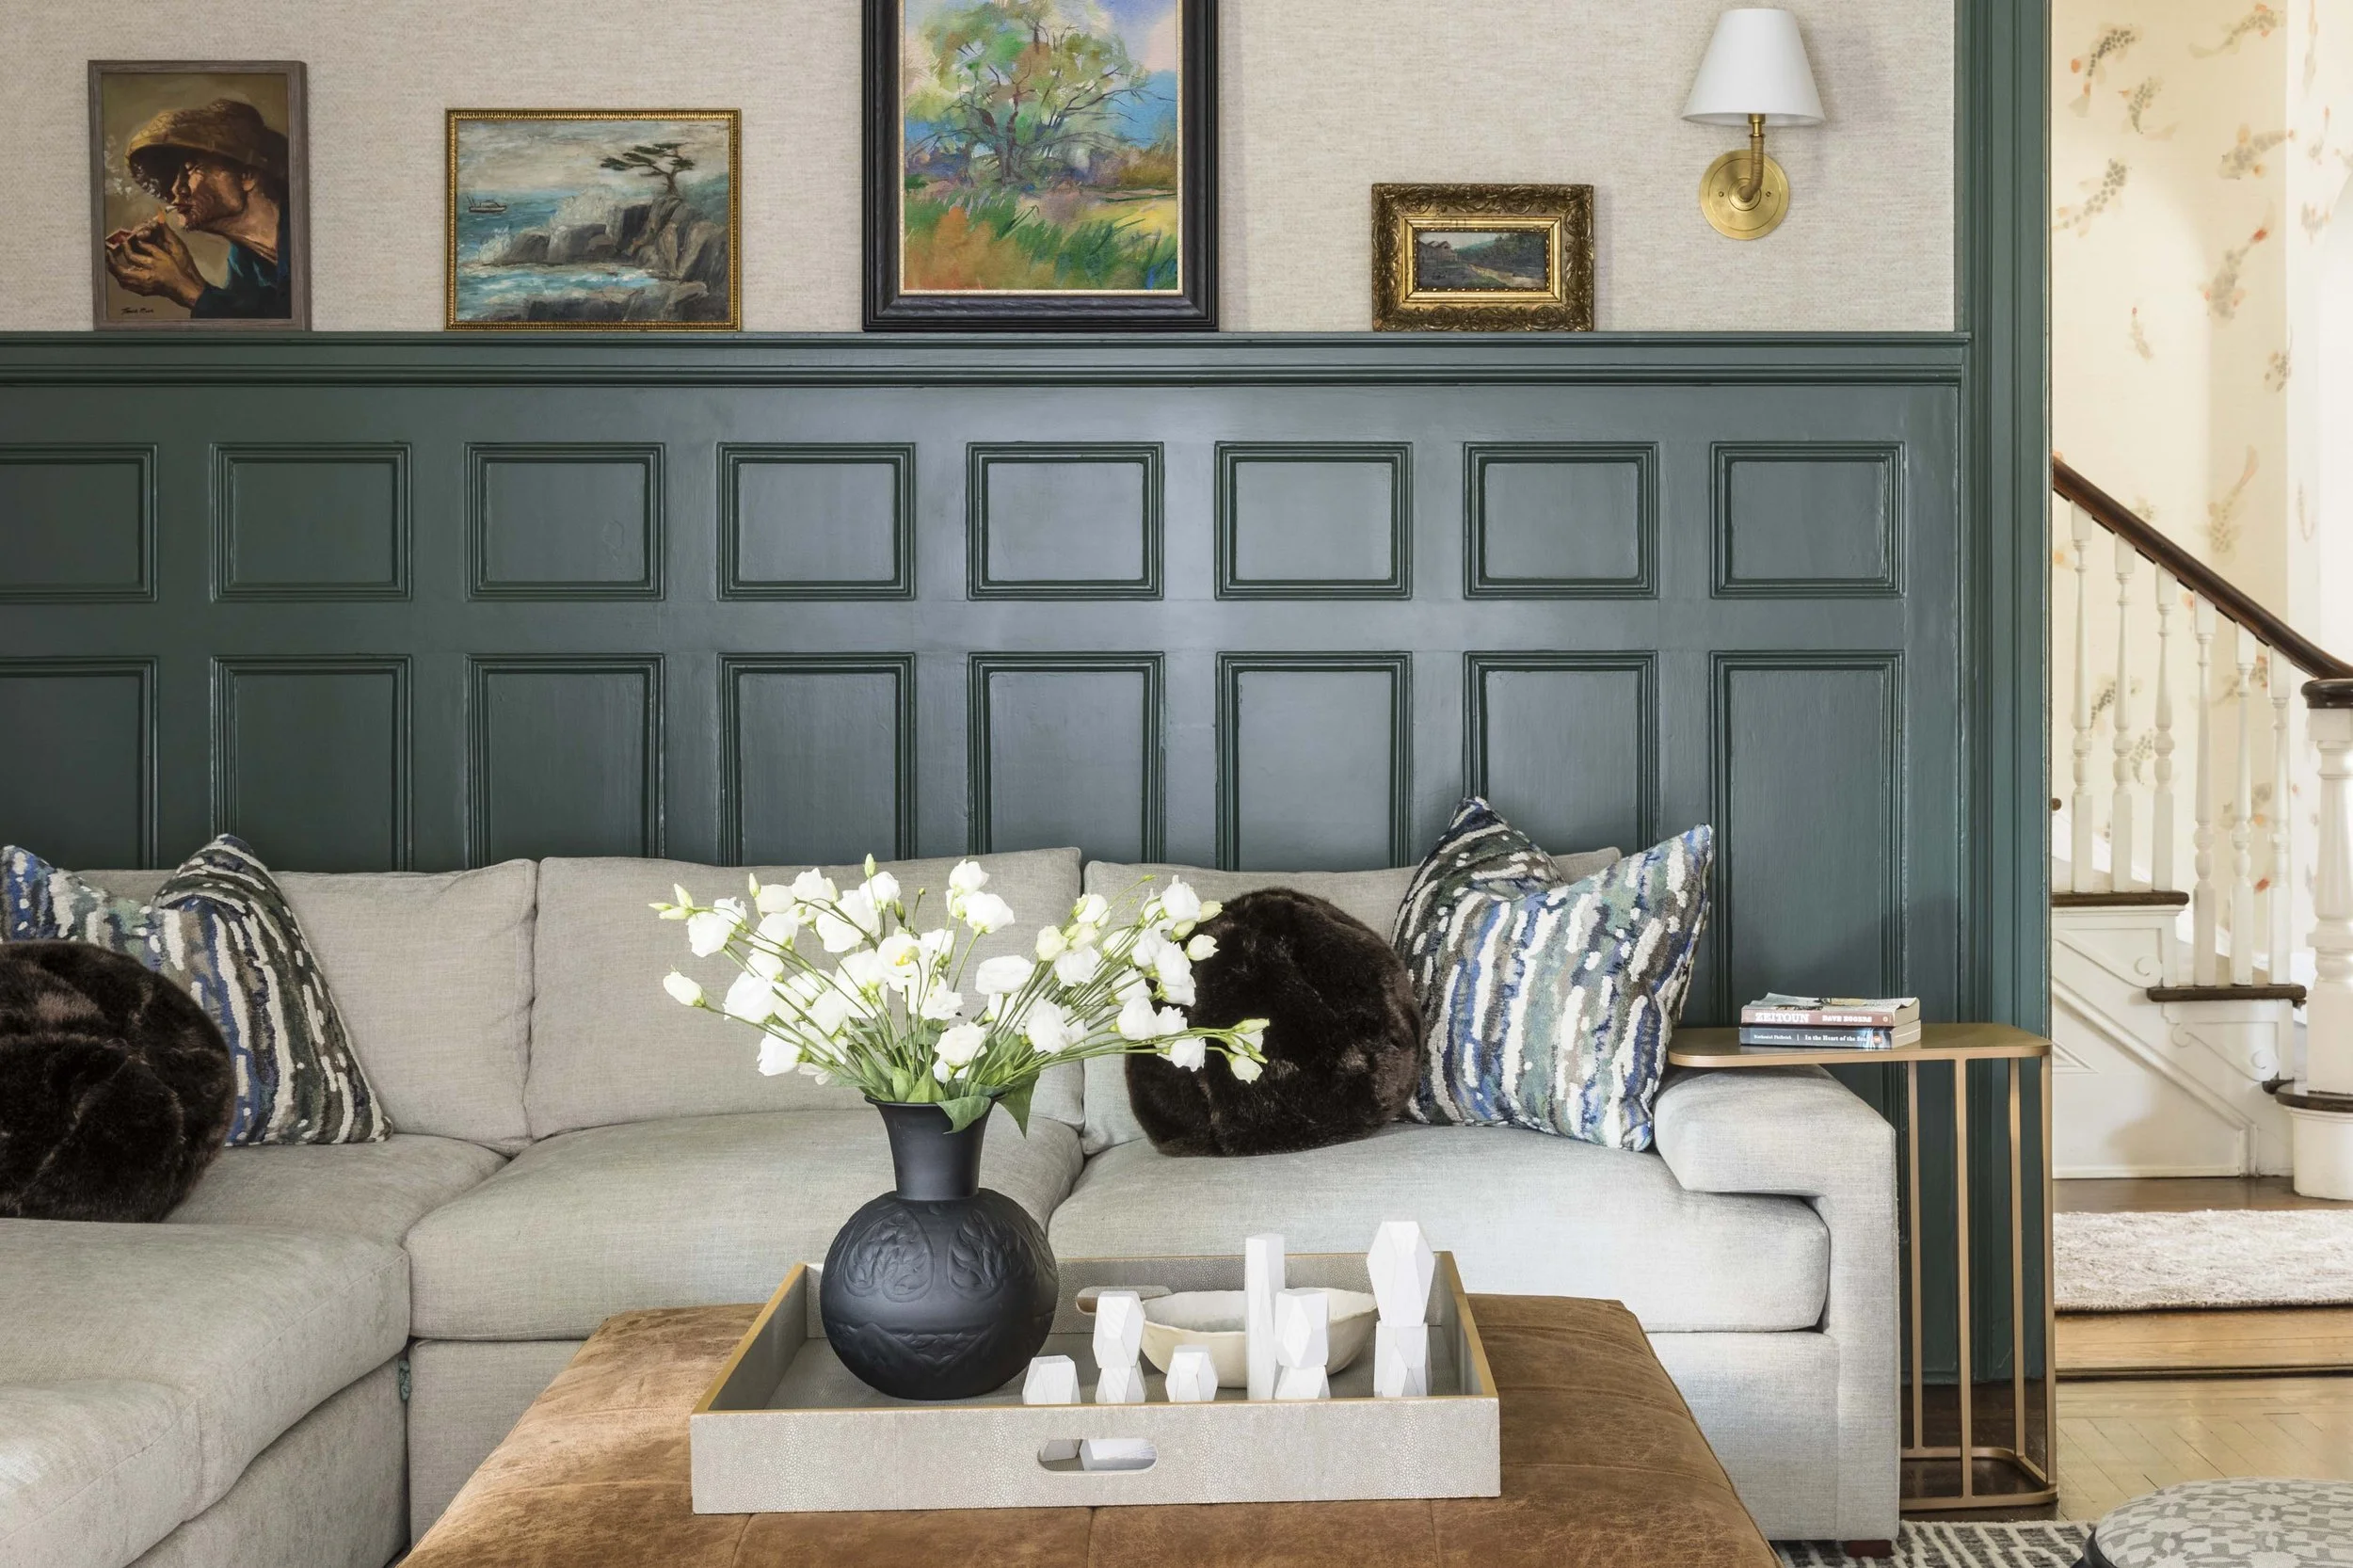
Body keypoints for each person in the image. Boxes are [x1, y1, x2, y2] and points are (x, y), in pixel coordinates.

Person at [104, 99, 292, 320]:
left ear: (246, 176)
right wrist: (188, 274)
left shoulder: (306, 234)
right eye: (175, 176)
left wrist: (184, 289)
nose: (176, 189)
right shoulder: (243, 262)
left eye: (191, 169)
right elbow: (246, 325)